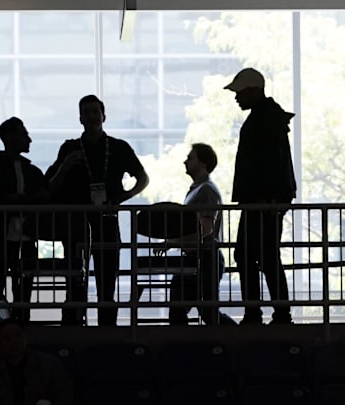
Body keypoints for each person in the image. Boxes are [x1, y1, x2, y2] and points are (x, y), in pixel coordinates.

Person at [46, 95, 150, 326]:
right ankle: (73, 324)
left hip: (107, 218)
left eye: (95, 111)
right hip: (75, 221)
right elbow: (49, 186)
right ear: (80, 118)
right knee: (74, 275)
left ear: (103, 116)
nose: (91, 116)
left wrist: (124, 197)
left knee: (107, 277)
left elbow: (143, 178)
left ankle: (106, 326)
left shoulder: (118, 147)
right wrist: (64, 167)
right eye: (86, 112)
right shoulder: (70, 148)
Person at [224, 67, 297, 325]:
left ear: (253, 91)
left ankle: (259, 312)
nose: (237, 98)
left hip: (262, 201)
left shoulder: (262, 120)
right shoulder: (270, 117)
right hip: (266, 201)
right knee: (263, 255)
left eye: (240, 92)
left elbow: (267, 163)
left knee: (250, 255)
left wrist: (268, 199)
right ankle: (276, 311)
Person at [0, 117, 50, 323]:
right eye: (23, 134)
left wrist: (18, 200)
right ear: (9, 137)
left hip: (24, 236)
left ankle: (18, 322)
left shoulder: (27, 170)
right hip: (0, 236)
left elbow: (42, 196)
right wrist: (27, 201)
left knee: (23, 285)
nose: (29, 140)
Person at [154, 143, 237, 326]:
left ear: (204, 163)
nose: (185, 161)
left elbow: (204, 229)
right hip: (198, 257)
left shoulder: (205, 190)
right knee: (200, 311)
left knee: (204, 312)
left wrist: (171, 242)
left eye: (190, 158)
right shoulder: (199, 189)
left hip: (204, 257)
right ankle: (233, 338)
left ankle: (236, 338)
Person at [0, 317, 74, 405]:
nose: (13, 342)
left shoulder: (50, 366)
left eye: (17, 336)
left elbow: (66, 397)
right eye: (6, 338)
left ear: (25, 337)